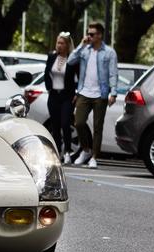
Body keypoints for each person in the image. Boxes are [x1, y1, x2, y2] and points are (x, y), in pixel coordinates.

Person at [67, 22, 118, 169]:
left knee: (97, 127)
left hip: (100, 94)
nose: (89, 36)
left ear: (100, 35)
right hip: (84, 92)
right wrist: (80, 45)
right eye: (88, 33)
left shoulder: (109, 52)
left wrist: (113, 93)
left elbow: (113, 73)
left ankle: (94, 157)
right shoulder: (84, 50)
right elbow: (70, 61)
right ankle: (86, 150)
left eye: (92, 34)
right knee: (79, 123)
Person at [45, 32, 78, 164]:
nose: (59, 45)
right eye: (58, 43)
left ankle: (68, 152)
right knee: (55, 125)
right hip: (53, 96)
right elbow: (47, 74)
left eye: (62, 43)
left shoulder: (72, 59)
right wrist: (48, 88)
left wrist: (77, 93)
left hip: (67, 97)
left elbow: (77, 78)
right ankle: (57, 152)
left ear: (67, 45)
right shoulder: (51, 56)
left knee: (65, 123)